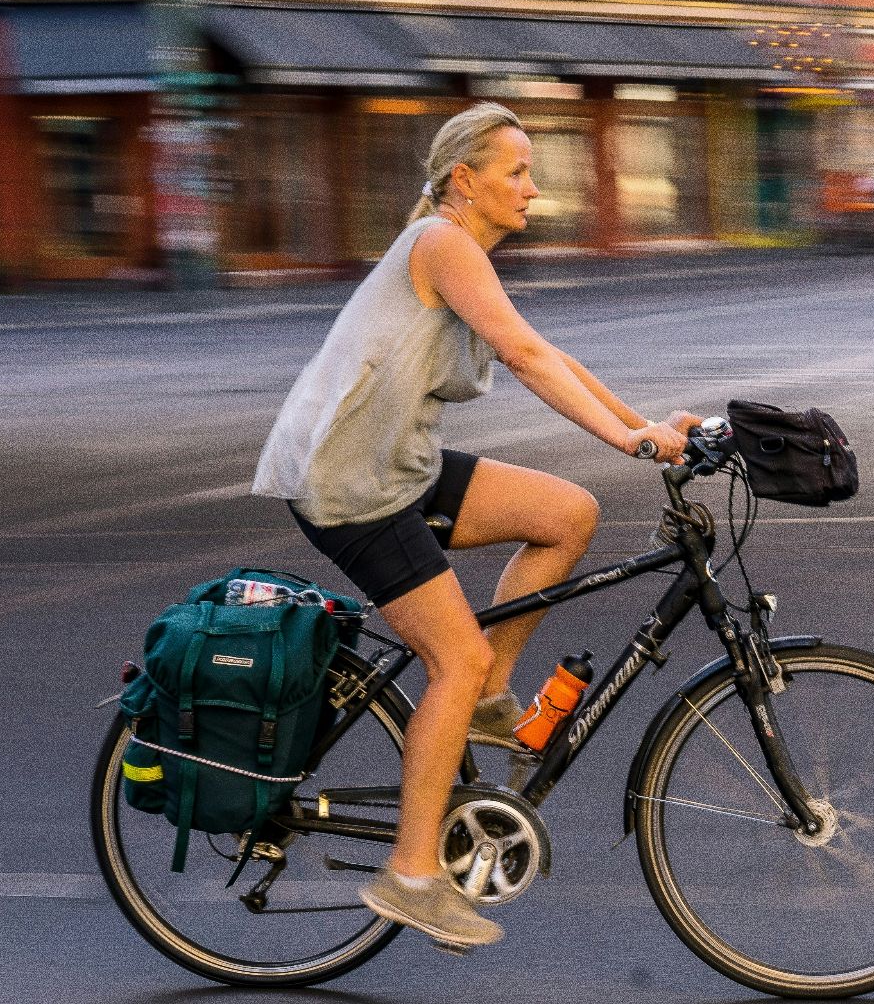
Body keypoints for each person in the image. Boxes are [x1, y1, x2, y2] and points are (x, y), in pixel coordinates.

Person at [252, 101, 698, 948]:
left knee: (567, 513)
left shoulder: (461, 252)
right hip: (352, 486)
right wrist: (631, 442)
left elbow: (547, 351)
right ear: (467, 179)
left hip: (399, 470)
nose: (533, 188)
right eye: (517, 171)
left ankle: (489, 698)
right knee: (450, 656)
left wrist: (648, 429)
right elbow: (528, 361)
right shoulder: (442, 245)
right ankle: (412, 874)